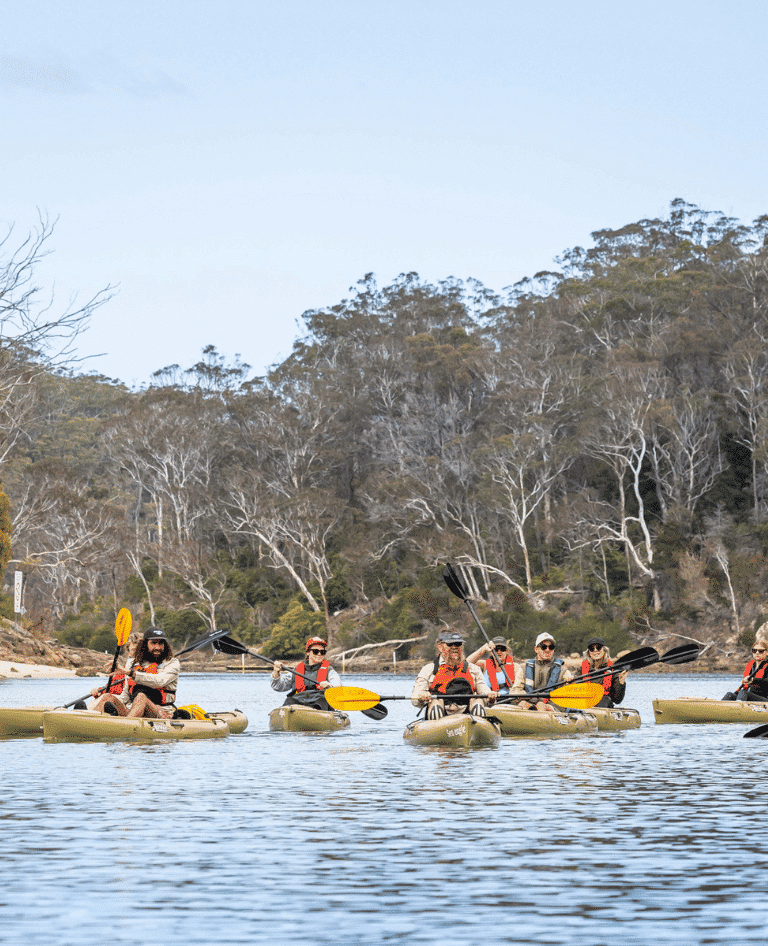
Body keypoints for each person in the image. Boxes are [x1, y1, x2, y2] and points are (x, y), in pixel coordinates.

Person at [91, 627, 180, 718]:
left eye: (161, 643)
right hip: (132, 709)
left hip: (161, 711)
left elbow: (160, 681)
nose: (157, 647)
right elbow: (124, 697)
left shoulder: (172, 663)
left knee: (141, 697)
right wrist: (101, 695)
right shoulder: (133, 663)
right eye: (153, 643)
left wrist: (131, 673)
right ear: (145, 644)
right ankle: (90, 718)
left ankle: (125, 726)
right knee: (107, 697)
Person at [411, 630, 495, 720]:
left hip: (466, 714)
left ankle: (477, 729)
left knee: (478, 701)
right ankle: (438, 728)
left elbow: (484, 690)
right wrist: (421, 696)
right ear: (440, 647)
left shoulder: (474, 669)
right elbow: (415, 698)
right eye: (450, 644)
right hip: (440, 712)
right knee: (435, 703)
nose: (454, 647)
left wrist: (490, 696)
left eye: (458, 644)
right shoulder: (428, 670)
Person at [271, 636, 341, 712]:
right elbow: (278, 687)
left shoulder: (330, 671)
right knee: (289, 700)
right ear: (308, 652)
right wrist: (276, 672)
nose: (319, 654)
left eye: (322, 652)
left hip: (319, 703)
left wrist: (329, 686)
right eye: (315, 651)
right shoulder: (296, 670)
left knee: (322, 700)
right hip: (299, 702)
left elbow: (337, 686)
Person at [518, 632, 573, 712]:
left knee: (541, 706)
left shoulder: (563, 671)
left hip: (552, 705)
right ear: (536, 649)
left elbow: (569, 694)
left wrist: (569, 685)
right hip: (530, 703)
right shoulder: (524, 669)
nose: (547, 650)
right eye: (544, 647)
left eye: (551, 647)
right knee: (522, 704)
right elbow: (515, 690)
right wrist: (525, 696)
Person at [581, 636, 627, 707]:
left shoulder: (612, 670)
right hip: (585, 705)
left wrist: (621, 683)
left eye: (598, 647)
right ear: (589, 653)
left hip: (604, 707)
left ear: (604, 650)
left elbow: (617, 700)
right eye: (592, 649)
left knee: (604, 699)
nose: (595, 651)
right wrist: (570, 683)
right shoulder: (580, 669)